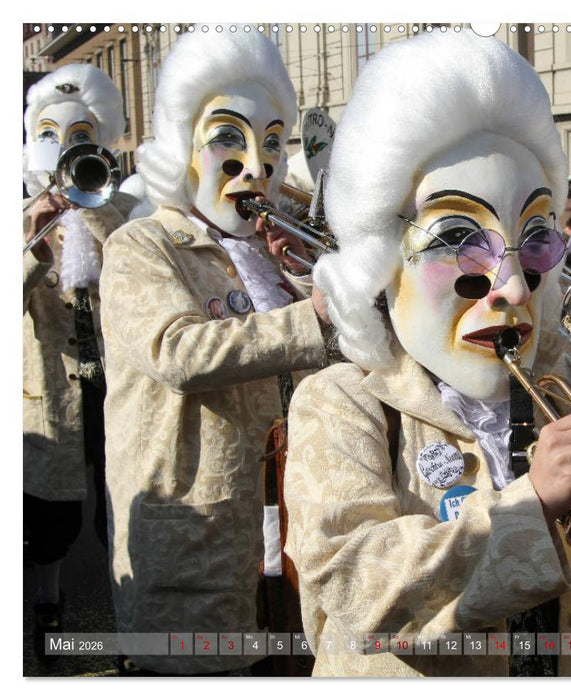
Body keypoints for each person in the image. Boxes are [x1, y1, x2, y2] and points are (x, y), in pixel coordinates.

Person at [284, 31, 571, 677]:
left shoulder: (558, 380)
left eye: (535, 238)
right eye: (455, 237)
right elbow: (357, 586)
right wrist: (530, 503)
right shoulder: (339, 401)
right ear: (381, 256)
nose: (509, 287)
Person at [100, 28, 332, 675]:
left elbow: (335, 366)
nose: (255, 166)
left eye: (271, 143)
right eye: (228, 138)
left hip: (284, 531)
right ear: (183, 147)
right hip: (195, 539)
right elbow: (176, 352)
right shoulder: (142, 246)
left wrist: (314, 280)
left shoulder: (269, 253)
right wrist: (307, 317)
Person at [22, 63, 137, 660]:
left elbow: (139, 279)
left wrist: (96, 209)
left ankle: (122, 619)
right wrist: (32, 244)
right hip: (52, 391)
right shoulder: (16, 219)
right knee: (51, 516)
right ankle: (49, 604)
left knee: (119, 500)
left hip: (115, 384)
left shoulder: (118, 212)